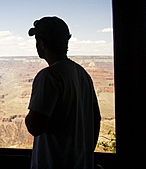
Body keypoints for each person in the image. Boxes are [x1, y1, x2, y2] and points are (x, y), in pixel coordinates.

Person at [25, 16, 101, 169]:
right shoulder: (82, 73)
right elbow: (96, 118)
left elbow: (35, 127)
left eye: (37, 40)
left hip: (54, 164)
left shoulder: (49, 76)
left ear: (42, 43)